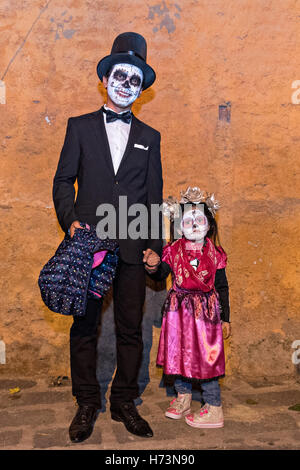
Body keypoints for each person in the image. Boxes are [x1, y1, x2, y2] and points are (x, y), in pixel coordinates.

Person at [52, 32, 163, 442]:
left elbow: (154, 195)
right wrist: (69, 220)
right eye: (120, 76)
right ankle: (85, 402)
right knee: (84, 325)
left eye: (135, 80)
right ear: (106, 79)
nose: (126, 85)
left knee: (131, 326)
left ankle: (124, 401)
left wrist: (156, 247)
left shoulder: (150, 138)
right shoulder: (78, 127)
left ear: (141, 87)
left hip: (134, 244)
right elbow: (63, 180)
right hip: (90, 244)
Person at [147, 186, 231, 428]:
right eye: (187, 220)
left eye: (199, 219)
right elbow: (161, 273)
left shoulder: (216, 254)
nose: (194, 224)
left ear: (210, 224)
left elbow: (223, 286)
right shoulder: (172, 251)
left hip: (206, 313)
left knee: (208, 357)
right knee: (178, 355)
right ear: (178, 225)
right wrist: (153, 265)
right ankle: (182, 397)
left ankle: (213, 406)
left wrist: (226, 317)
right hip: (178, 312)